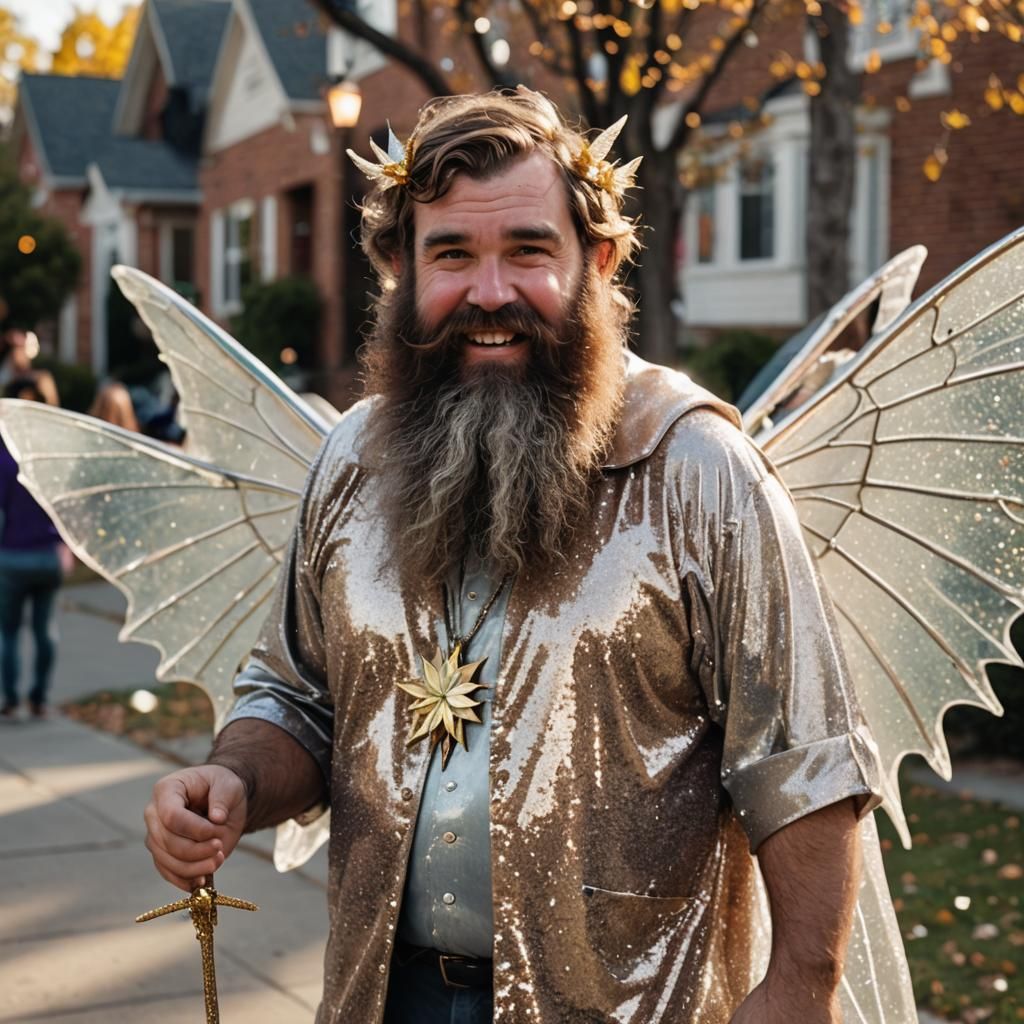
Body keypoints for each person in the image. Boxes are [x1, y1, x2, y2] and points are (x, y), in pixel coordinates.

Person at [143, 89, 897, 1023]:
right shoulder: (352, 459)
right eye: (452, 253)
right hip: (383, 992)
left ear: (600, 261)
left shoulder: (700, 471)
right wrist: (235, 779)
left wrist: (798, 990)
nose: (490, 293)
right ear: (398, 267)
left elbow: (804, 759)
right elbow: (295, 694)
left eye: (529, 251)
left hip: (627, 1003)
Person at [0, 374, 69, 719]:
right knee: (45, 630)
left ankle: (11, 699)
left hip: (12, 553)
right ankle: (39, 698)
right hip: (49, 555)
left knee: (7, 631)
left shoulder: (4, 456)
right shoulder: (55, 453)